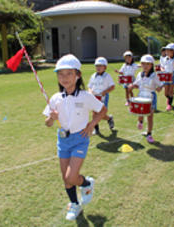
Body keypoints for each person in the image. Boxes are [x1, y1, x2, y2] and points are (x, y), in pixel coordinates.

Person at [43, 54, 107, 221]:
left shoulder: (85, 96)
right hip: (63, 140)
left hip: (80, 138)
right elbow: (47, 123)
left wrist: (92, 124)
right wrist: (52, 118)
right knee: (66, 179)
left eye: (69, 73)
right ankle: (74, 204)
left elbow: (102, 110)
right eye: (60, 74)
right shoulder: (55, 98)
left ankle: (86, 184)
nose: (64, 78)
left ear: (77, 75)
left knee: (72, 177)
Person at [128, 54, 164, 143]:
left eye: (147, 64)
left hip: (150, 97)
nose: (145, 66)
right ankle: (140, 122)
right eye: (143, 64)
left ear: (151, 65)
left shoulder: (154, 75)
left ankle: (149, 133)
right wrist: (132, 86)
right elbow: (137, 84)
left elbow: (159, 87)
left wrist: (159, 88)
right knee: (140, 113)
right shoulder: (140, 74)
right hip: (141, 96)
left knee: (150, 116)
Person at [88, 57, 115, 134]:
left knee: (101, 114)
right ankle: (96, 129)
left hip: (103, 97)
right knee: (94, 113)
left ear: (105, 67)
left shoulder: (107, 76)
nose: (98, 68)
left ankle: (109, 118)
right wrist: (90, 92)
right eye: (97, 66)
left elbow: (112, 86)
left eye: (100, 66)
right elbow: (89, 86)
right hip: (94, 97)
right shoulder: (93, 76)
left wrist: (105, 91)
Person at [162, 43, 174, 111]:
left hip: (172, 76)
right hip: (166, 76)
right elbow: (162, 66)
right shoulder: (165, 58)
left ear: (172, 51)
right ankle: (169, 100)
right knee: (166, 93)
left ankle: (169, 104)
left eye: (168, 50)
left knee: (171, 91)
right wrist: (163, 70)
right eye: (166, 50)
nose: (166, 52)